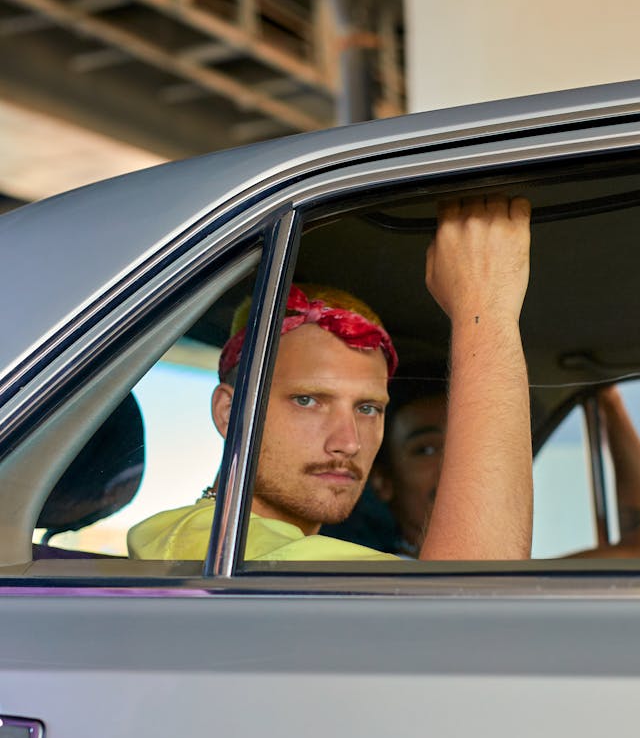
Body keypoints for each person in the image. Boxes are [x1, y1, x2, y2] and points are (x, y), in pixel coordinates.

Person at [129, 195, 534, 562]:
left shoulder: (279, 558)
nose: (349, 441)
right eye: (308, 400)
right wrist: (486, 308)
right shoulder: (209, 548)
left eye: (368, 408)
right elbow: (471, 600)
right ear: (229, 412)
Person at [367, 370, 640, 559]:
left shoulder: (503, 580)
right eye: (427, 449)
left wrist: (609, 403)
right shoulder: (375, 580)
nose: (455, 467)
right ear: (383, 481)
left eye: (468, 445)